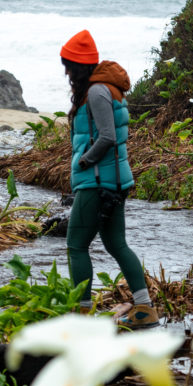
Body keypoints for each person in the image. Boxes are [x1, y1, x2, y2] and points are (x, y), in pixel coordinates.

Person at [60, 29, 157, 328]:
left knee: (76, 245)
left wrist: (85, 160)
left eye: (67, 65)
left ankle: (82, 315)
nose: (65, 71)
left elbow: (107, 137)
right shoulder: (101, 89)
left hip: (99, 182)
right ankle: (144, 309)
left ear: (78, 65)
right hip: (112, 181)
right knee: (116, 243)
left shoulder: (98, 91)